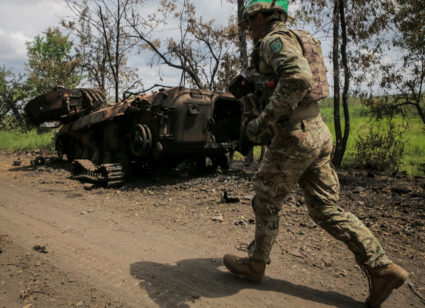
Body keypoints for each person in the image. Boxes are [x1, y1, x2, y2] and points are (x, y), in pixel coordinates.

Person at [223, 1, 408, 307]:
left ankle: (256, 264)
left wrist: (262, 121)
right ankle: (381, 267)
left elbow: (297, 79)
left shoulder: (273, 40)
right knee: (326, 209)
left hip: (294, 135)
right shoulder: (297, 36)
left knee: (265, 198)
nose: (248, 29)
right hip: (318, 131)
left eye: (248, 22)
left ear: (259, 15)